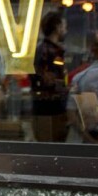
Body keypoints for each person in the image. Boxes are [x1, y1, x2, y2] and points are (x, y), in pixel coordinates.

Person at [31, 11, 69, 142]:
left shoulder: (48, 50)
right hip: (49, 108)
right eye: (64, 26)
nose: (65, 30)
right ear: (58, 27)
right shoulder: (48, 52)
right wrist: (65, 88)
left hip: (50, 107)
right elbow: (47, 79)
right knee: (51, 146)